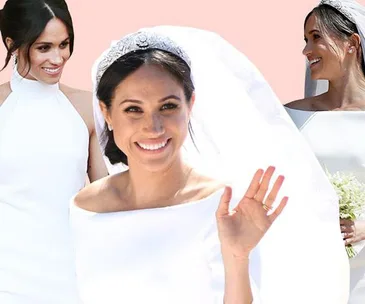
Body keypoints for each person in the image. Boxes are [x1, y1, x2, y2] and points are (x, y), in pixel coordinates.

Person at [70, 27, 349, 303]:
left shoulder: (226, 208)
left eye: (167, 107)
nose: (152, 127)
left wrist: (238, 258)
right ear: (106, 112)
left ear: (190, 105)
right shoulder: (84, 208)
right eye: (133, 109)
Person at [0, 0, 107, 303]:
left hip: (70, 278)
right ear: (13, 44)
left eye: (64, 44)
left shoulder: (87, 108)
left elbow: (105, 197)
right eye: (44, 47)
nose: (58, 57)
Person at [285, 1, 365, 302]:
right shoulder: (289, 118)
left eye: (316, 37)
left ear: (351, 43)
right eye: (306, 40)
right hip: (307, 263)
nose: (307, 50)